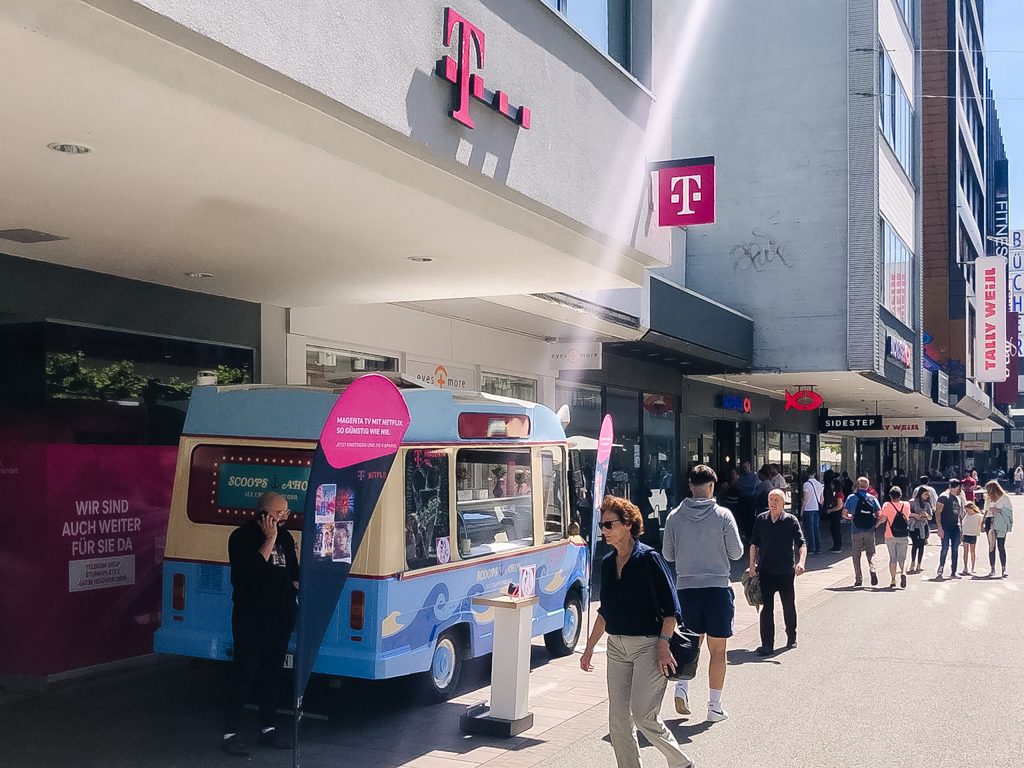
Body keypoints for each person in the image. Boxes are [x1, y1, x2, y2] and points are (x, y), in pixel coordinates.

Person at [580, 496, 695, 768]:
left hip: (649, 646)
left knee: (644, 715)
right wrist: (588, 648)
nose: (604, 530)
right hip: (616, 647)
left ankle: (681, 763)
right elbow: (605, 611)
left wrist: (663, 644)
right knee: (618, 719)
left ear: (629, 524)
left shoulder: (649, 559)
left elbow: (672, 610)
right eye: (601, 524)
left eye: (609, 524)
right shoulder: (608, 563)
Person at [661, 464, 743, 723]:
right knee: (718, 650)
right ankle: (714, 706)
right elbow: (737, 552)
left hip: (686, 589)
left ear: (690, 486)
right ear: (711, 487)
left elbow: (668, 555)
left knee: (688, 644)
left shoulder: (674, 516)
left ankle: (682, 689)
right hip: (717, 588)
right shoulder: (723, 515)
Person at [223, 492, 300, 756]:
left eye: (286, 513)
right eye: (279, 514)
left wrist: (296, 584)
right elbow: (246, 575)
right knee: (244, 672)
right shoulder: (242, 537)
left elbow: (293, 571)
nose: (284, 518)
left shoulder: (286, 537)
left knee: (272, 674)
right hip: (251, 617)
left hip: (281, 617)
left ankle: (268, 728)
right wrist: (269, 540)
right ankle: (230, 732)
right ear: (263, 513)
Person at [750, 489, 807, 656]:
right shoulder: (761, 519)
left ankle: (791, 635)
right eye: (770, 499)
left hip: (785, 571)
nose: (772, 502)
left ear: (783, 503)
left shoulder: (791, 520)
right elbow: (754, 543)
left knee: (788, 605)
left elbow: (801, 543)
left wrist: (801, 562)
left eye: (776, 499)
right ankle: (767, 644)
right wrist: (752, 564)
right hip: (766, 571)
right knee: (766, 608)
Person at [843, 477, 881, 587]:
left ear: (857, 485)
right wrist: (875, 524)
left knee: (856, 555)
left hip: (856, 530)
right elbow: (879, 513)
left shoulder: (851, 497)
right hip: (869, 530)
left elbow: (844, 513)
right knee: (871, 553)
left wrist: (850, 517)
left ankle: (858, 579)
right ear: (868, 486)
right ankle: (872, 568)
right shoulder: (872, 498)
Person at [877, 487, 911, 588]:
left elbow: (883, 519)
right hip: (903, 534)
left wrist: (876, 524)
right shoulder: (906, 504)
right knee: (903, 557)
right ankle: (903, 572)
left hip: (890, 534)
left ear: (890, 496)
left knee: (893, 558)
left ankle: (892, 580)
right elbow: (907, 517)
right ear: (900, 495)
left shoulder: (887, 505)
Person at [935, 479, 966, 581]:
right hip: (945, 526)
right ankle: (940, 569)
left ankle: (954, 571)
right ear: (954, 487)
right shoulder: (944, 497)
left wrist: (961, 529)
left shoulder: (957, 498)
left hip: (955, 526)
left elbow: (959, 514)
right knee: (944, 548)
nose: (960, 489)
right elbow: (938, 512)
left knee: (955, 549)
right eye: (958, 487)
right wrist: (939, 527)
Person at [985, 480, 1013, 578]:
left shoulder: (1005, 498)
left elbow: (1009, 511)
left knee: (1001, 545)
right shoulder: (988, 499)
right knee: (991, 546)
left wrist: (999, 510)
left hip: (1000, 522)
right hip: (990, 521)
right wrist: (982, 522)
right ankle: (992, 568)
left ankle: (1003, 568)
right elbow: (986, 510)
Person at [908, 485, 934, 573]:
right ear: (920, 493)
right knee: (915, 544)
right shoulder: (912, 502)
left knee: (922, 545)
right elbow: (906, 513)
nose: (927, 496)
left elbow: (930, 517)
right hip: (913, 526)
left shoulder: (927, 504)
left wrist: (926, 515)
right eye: (925, 494)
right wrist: (914, 515)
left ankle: (919, 563)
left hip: (924, 526)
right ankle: (912, 562)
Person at [801, 469, 824, 555]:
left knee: (809, 529)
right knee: (816, 528)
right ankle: (818, 548)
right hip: (816, 508)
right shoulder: (819, 484)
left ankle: (811, 548)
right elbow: (822, 499)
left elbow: (805, 498)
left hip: (808, 508)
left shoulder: (806, 484)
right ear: (814, 473)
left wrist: (802, 510)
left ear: (807, 474)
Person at [737, 460, 759, 543]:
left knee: (750, 517)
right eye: (743, 468)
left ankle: (750, 534)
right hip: (742, 498)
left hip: (750, 498)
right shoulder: (741, 476)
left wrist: (744, 486)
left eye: (746, 467)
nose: (745, 469)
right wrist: (746, 486)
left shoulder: (754, 477)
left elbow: (753, 487)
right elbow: (739, 486)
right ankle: (746, 534)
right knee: (743, 517)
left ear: (749, 466)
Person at [960, 502, 984, 575]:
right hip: (966, 534)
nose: (967, 512)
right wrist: (961, 534)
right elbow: (963, 524)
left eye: (968, 510)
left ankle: (973, 567)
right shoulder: (967, 516)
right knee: (965, 551)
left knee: (972, 550)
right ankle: (965, 567)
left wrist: (982, 528)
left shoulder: (979, 516)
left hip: (973, 534)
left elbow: (981, 524)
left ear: (972, 509)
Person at [824, 478, 844, 553]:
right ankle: (835, 545)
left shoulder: (839, 494)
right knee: (833, 529)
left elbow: (839, 505)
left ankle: (837, 546)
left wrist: (830, 510)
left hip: (836, 513)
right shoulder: (835, 493)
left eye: (832, 484)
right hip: (834, 513)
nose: (831, 486)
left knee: (836, 529)